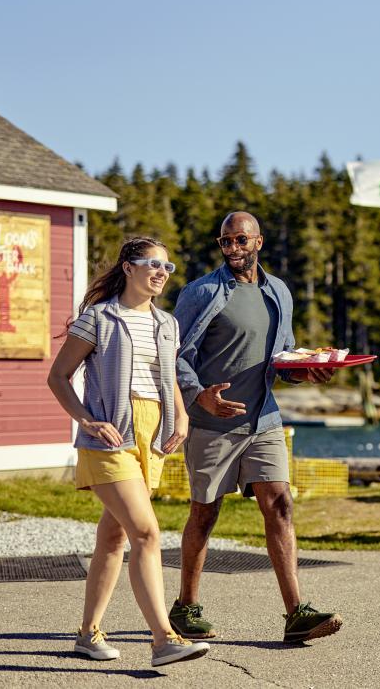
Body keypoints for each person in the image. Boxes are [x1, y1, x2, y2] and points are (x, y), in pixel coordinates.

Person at [171, 211, 342, 644]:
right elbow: (174, 354)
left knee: (280, 505)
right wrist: (199, 395)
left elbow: (283, 359)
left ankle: (296, 613)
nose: (233, 248)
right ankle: (185, 607)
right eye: (225, 241)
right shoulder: (201, 292)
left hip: (263, 419)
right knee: (205, 513)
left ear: (258, 242)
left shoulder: (278, 291)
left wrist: (308, 371)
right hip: (212, 423)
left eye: (240, 240)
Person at [47, 237, 209, 667]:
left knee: (114, 535)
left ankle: (87, 634)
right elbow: (59, 376)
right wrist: (86, 420)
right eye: (152, 264)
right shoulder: (99, 318)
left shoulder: (167, 323)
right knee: (146, 533)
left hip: (152, 436)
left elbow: (168, 377)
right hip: (110, 436)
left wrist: (182, 416)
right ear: (128, 267)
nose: (161, 272)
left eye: (167, 267)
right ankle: (163, 639)